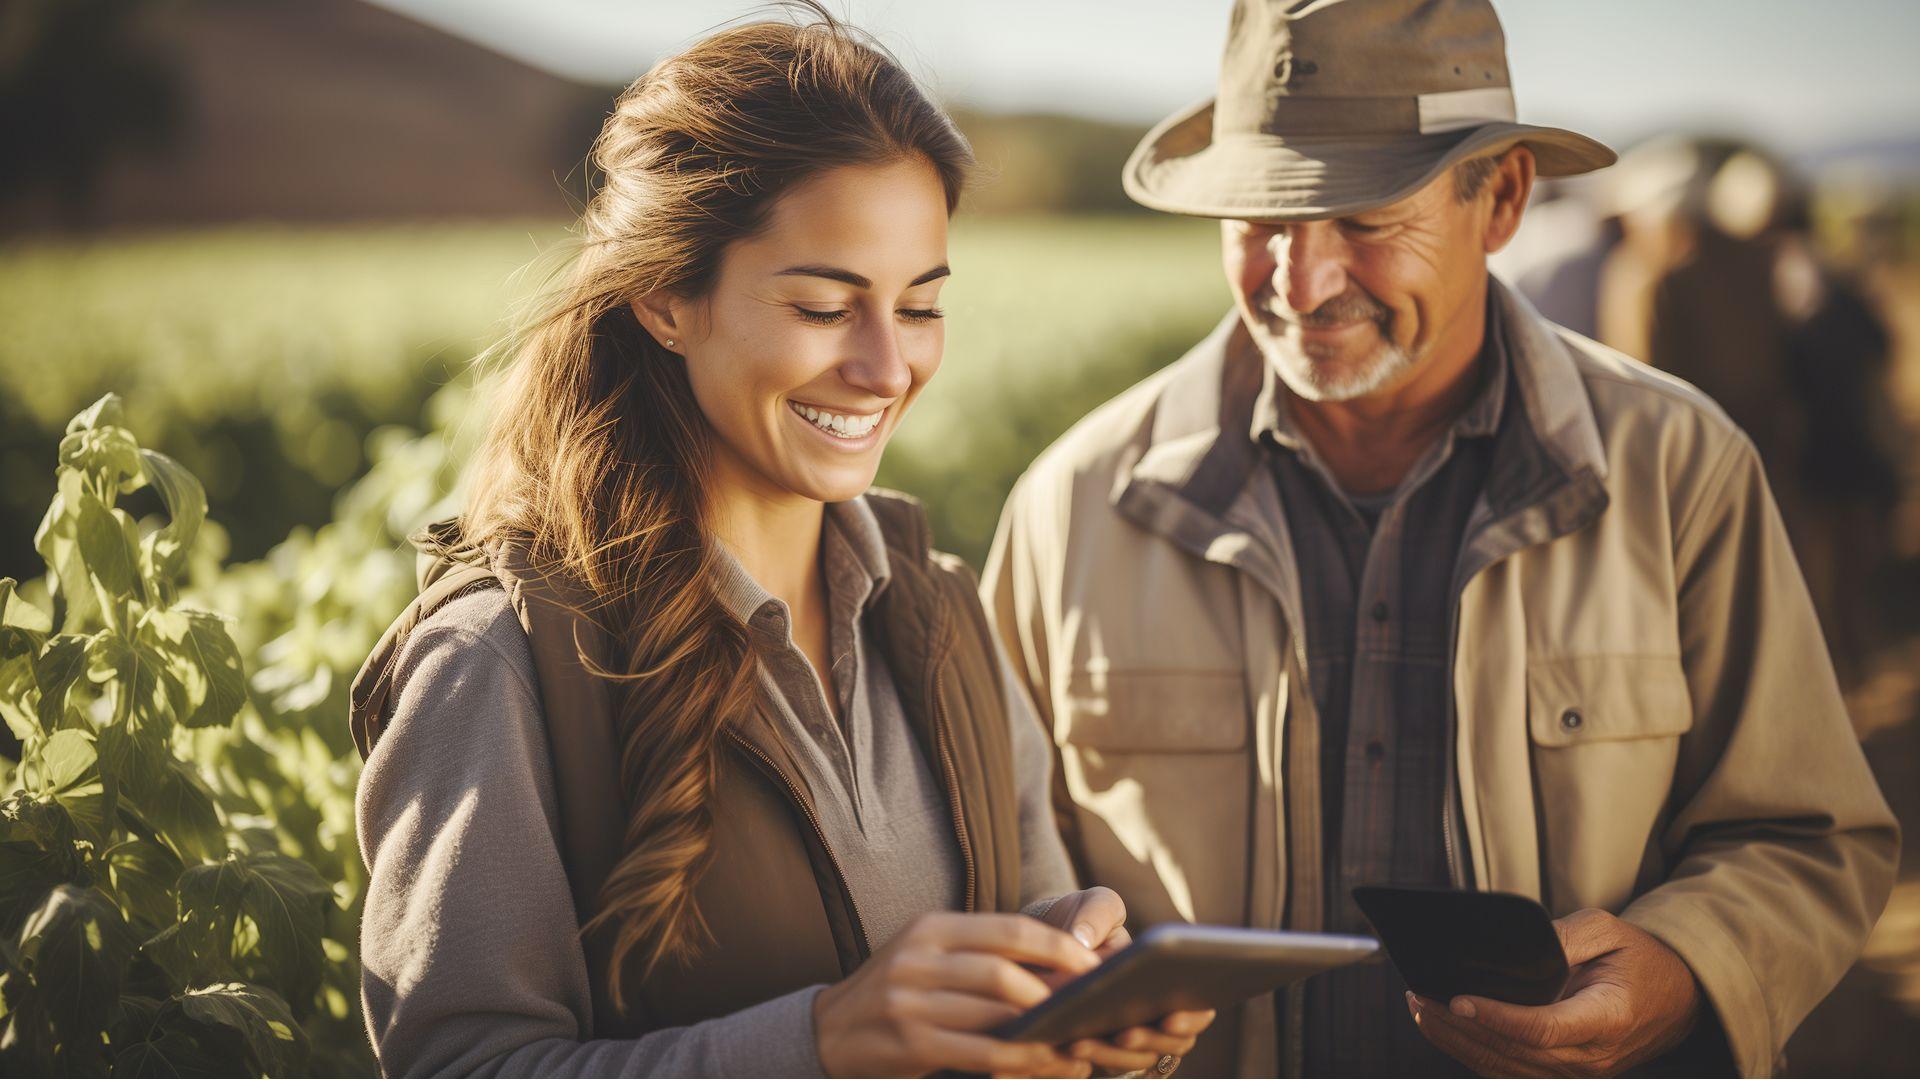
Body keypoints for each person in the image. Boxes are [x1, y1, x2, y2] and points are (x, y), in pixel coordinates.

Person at [982, 0, 1899, 1075]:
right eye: (1264, 220)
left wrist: (1688, 964)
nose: (1302, 282)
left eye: (1366, 219)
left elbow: (1809, 837)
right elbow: (996, 874)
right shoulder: (1073, 504)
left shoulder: (1679, 470)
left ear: (1501, 198)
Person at [349, 9, 1210, 1077]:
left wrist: (1079, 1009)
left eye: (922, 307)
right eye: (823, 305)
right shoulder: (501, 660)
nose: (887, 367)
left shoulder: (945, 622)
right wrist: (822, 1044)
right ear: (665, 296)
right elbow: (459, 1065)